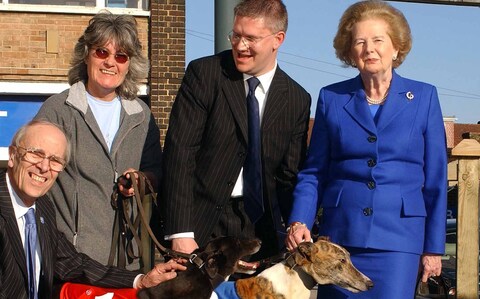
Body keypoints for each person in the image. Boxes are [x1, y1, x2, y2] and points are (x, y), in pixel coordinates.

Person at [285, 1, 447, 298]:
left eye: (378, 40)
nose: (369, 48)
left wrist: (433, 248)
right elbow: (314, 171)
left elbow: (436, 180)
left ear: (397, 48)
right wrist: (299, 221)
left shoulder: (424, 98)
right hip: (340, 243)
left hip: (399, 242)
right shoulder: (331, 98)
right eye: (359, 41)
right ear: (349, 52)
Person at [161, 0, 311, 260]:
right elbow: (180, 153)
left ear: (278, 39)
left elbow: (289, 176)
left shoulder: (297, 99)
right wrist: (180, 232)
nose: (240, 46)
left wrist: (294, 227)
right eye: (236, 35)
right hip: (201, 226)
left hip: (263, 234)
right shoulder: (204, 75)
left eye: (251, 38)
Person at [34, 11, 162, 269]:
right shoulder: (58, 109)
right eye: (101, 52)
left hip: (129, 263)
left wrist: (140, 179)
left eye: (121, 56)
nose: (110, 63)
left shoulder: (142, 115)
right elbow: (35, 172)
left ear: (129, 63)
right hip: (72, 262)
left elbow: (157, 172)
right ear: (86, 54)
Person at [0, 120, 185, 299]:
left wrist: (141, 280)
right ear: (13, 155)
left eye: (55, 160)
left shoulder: (43, 206)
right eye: (36, 154)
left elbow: (72, 264)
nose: (44, 167)